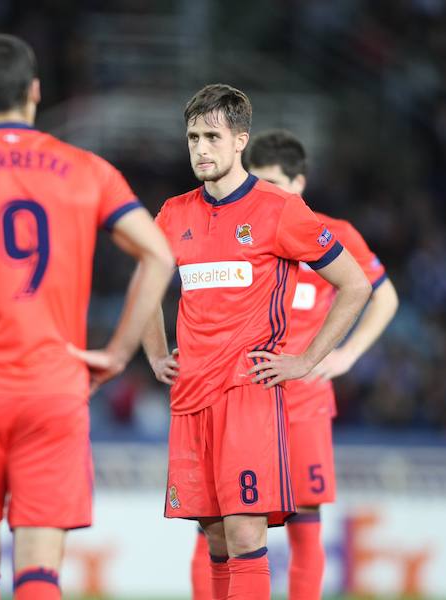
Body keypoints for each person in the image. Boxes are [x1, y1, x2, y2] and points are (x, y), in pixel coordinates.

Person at [0, 34, 174, 600]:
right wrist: (118, 353)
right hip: (54, 387)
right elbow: (158, 255)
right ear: (34, 91)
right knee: (39, 568)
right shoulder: (87, 168)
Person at [143, 84, 371, 600]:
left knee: (246, 536)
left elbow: (356, 285)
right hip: (190, 397)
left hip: (249, 395)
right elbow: (145, 286)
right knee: (215, 538)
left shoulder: (280, 209)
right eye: (193, 138)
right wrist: (156, 353)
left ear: (240, 140)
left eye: (213, 137)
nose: (201, 149)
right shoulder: (174, 213)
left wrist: (305, 361)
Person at [187, 129, 399, 600]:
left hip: (302, 402)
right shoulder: (233, 228)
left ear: (299, 183)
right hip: (239, 399)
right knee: (215, 527)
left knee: (305, 524)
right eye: (256, 181)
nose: (263, 192)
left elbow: (382, 296)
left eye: (274, 183)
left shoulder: (333, 234)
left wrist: (347, 355)